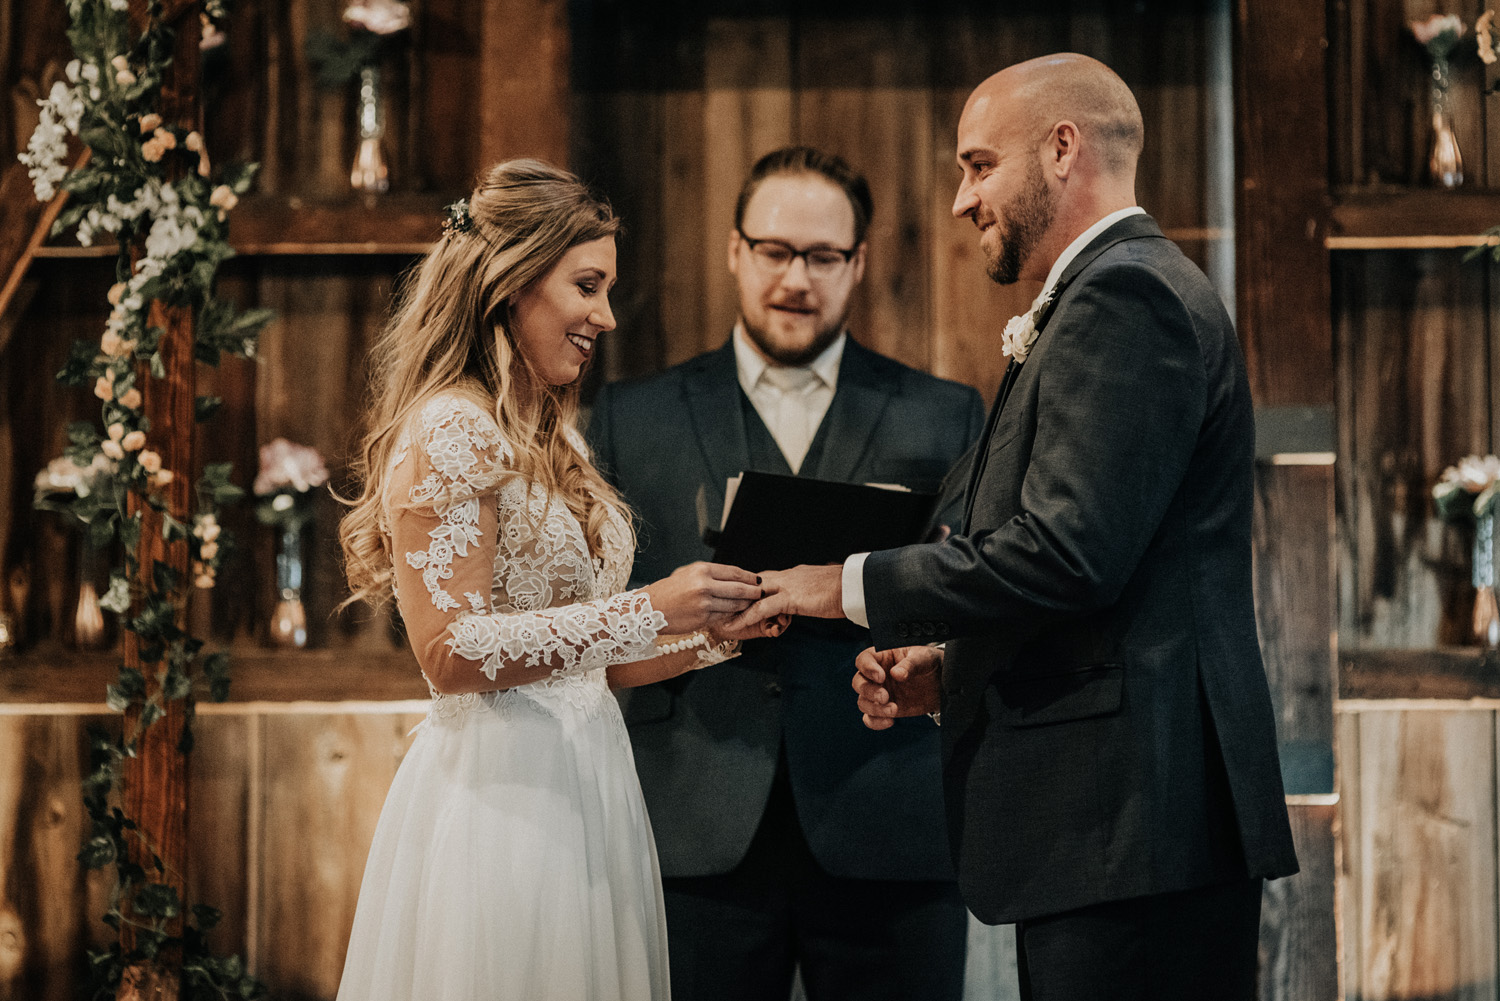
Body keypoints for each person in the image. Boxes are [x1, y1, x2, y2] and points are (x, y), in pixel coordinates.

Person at [734, 56, 1300, 1001]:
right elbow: (1106, 572)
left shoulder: (1127, 298)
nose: (961, 200)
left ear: (1062, 149)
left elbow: (1069, 551)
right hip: (1125, 828)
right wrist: (957, 673)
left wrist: (843, 582)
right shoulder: (1114, 290)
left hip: (1134, 826)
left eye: (978, 164)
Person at [334, 159, 785, 1001]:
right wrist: (651, 603)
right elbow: (449, 650)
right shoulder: (452, 426)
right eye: (588, 285)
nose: (605, 317)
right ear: (512, 278)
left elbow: (586, 668)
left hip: (589, 785)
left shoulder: (553, 436)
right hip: (502, 802)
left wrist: (706, 638)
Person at [587, 146, 984, 1001]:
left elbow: (977, 589)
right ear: (734, 250)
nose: (795, 278)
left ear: (859, 263)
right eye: (773, 250)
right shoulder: (631, 416)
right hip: (695, 826)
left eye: (822, 256)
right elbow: (592, 614)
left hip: (892, 820)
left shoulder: (943, 413)